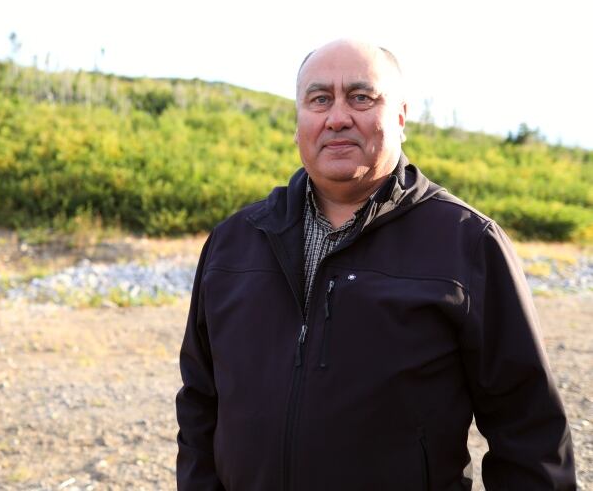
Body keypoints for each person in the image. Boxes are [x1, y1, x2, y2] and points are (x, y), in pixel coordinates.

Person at [175, 39, 576, 490]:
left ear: (401, 117)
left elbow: (529, 430)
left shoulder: (467, 244)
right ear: (298, 121)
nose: (338, 116)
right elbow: (200, 403)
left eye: (362, 97)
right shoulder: (235, 242)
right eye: (319, 99)